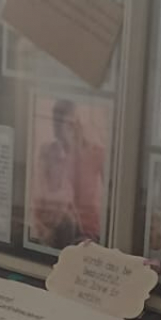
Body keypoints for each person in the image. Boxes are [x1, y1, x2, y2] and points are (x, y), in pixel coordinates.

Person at [29, 100, 106, 248]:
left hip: (89, 235)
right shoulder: (49, 152)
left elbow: (113, 199)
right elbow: (38, 196)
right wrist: (43, 230)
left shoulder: (97, 153)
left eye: (72, 122)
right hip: (55, 231)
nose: (71, 128)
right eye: (57, 123)